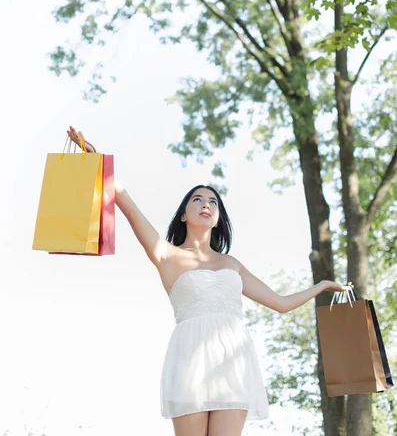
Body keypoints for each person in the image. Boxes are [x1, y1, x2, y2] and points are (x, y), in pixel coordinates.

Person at [67, 125, 350, 436]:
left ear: (218, 216)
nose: (206, 204)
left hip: (235, 362)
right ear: (184, 215)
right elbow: (129, 207)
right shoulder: (166, 254)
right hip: (190, 361)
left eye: (213, 202)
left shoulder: (232, 264)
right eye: (197, 200)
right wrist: (99, 165)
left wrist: (322, 286)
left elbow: (281, 304)